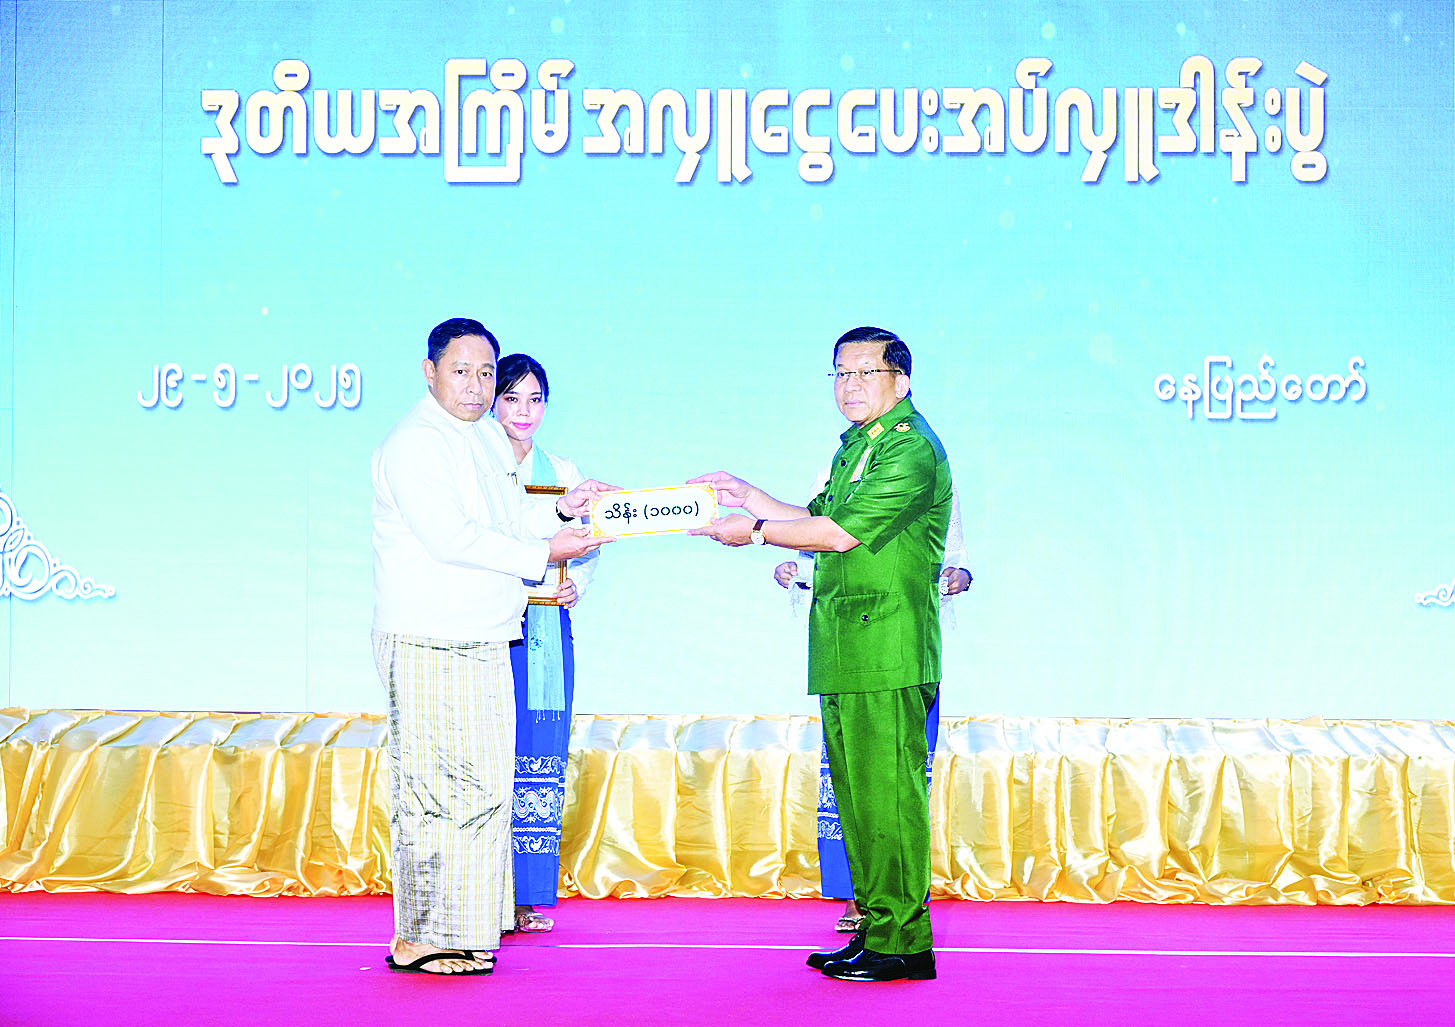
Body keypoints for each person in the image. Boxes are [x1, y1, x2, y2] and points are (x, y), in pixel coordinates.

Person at [690, 326, 951, 983]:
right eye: (840, 373)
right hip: (846, 646)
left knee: (888, 799)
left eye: (865, 372)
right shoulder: (856, 446)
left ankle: (904, 942)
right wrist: (749, 496)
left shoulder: (910, 449)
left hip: (887, 648)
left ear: (901, 380)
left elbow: (835, 534)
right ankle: (878, 928)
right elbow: (811, 516)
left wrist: (753, 533)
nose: (849, 385)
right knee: (860, 800)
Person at [371, 318, 614, 976]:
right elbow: (451, 537)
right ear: (430, 372)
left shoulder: (480, 437)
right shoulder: (416, 442)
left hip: (484, 633)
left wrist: (566, 510)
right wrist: (546, 551)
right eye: (462, 371)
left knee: (480, 791)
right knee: (432, 793)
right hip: (428, 635)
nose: (476, 386)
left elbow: (508, 520)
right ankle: (421, 936)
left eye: (485, 373)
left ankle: (465, 929)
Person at [773, 483, 970, 933]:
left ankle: (896, 913)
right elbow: (814, 536)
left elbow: (948, 554)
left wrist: (960, 575)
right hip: (845, 648)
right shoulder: (839, 470)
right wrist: (790, 564)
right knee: (848, 780)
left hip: (897, 647)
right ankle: (860, 898)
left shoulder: (912, 462)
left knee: (894, 783)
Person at [490, 353, 600, 933]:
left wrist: (577, 584)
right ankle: (484, 892)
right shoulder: (474, 463)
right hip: (486, 624)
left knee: (540, 752)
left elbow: (588, 541)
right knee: (489, 755)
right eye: (512, 398)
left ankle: (527, 894)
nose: (524, 411)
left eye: (535, 400)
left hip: (546, 629)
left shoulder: (562, 469)